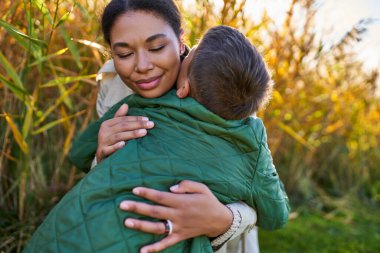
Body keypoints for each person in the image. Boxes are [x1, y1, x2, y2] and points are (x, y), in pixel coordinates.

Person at [23, 1, 289, 253]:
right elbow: (104, 174)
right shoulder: (113, 85)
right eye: (124, 53)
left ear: (182, 40)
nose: (142, 67)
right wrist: (100, 156)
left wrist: (222, 219)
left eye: (157, 47)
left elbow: (259, 198)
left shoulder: (227, 79)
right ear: (111, 52)